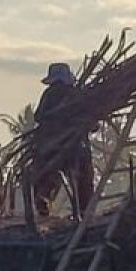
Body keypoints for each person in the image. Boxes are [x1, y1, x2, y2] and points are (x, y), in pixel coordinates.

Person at [33, 62, 94, 218]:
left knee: (49, 176)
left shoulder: (52, 95)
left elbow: (38, 117)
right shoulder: (76, 95)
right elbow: (92, 123)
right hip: (69, 148)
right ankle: (83, 212)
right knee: (83, 179)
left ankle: (46, 203)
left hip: (57, 147)